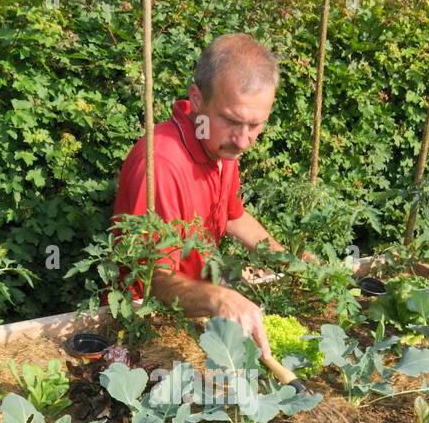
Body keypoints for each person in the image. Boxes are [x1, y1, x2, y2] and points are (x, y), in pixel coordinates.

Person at [111, 33, 313, 360]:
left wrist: (288, 260)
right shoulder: (161, 165)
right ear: (198, 99)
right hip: (149, 322)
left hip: (198, 309)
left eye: (255, 125)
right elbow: (153, 281)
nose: (244, 140)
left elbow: (233, 216)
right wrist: (222, 299)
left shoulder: (219, 145)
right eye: (232, 121)